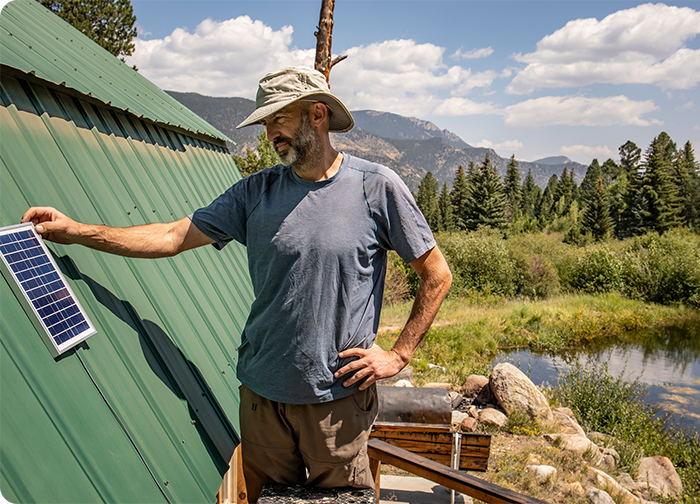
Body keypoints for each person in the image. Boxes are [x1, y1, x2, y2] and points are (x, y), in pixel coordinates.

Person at [21, 66, 452, 503]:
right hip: (261, 396)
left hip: (336, 401)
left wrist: (399, 354)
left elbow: (437, 274)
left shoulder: (376, 188)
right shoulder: (254, 193)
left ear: (317, 114)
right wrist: (76, 231)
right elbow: (171, 237)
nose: (269, 134)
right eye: (265, 123)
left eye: (277, 120)